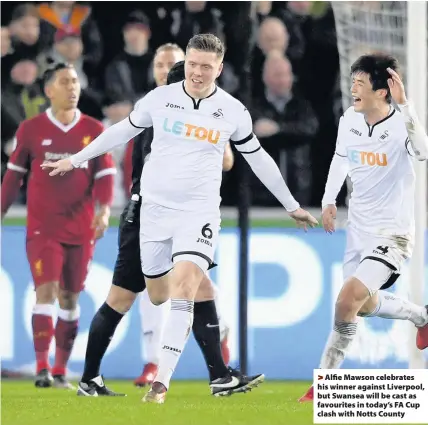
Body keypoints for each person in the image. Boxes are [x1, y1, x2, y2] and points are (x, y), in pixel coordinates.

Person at [42, 33, 318, 404]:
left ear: (220, 68)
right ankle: (218, 373)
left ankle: (162, 384)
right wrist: (75, 160)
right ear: (185, 62)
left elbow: (258, 158)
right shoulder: (160, 99)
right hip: (154, 212)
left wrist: (290, 204)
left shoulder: (233, 111)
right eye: (193, 64)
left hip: (199, 213)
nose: (198, 72)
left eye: (207, 66)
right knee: (158, 296)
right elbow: (120, 132)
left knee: (187, 286)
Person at [74, 46, 235, 398]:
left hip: (168, 215)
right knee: (123, 298)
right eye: (161, 65)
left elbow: (226, 159)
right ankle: (91, 378)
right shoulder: (159, 113)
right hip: (147, 215)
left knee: (200, 286)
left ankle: (220, 376)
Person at [299, 53, 428, 402]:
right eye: (352, 81)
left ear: (382, 91)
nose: (353, 88)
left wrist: (407, 106)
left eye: (360, 83)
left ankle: (323, 384)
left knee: (345, 303)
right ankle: (421, 316)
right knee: (365, 305)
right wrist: (328, 200)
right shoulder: (348, 122)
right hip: (358, 231)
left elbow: (423, 152)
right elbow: (341, 157)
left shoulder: (401, 124)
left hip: (393, 235)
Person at [1, 63, 115, 389]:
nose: (72, 88)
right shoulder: (31, 129)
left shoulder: (94, 129)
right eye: (65, 82)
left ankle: (62, 370)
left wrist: (104, 211)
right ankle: (41, 367)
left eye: (76, 81)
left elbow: (105, 174)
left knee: (70, 298)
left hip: (81, 228)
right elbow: (13, 178)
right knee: (45, 291)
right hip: (43, 227)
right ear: (49, 90)